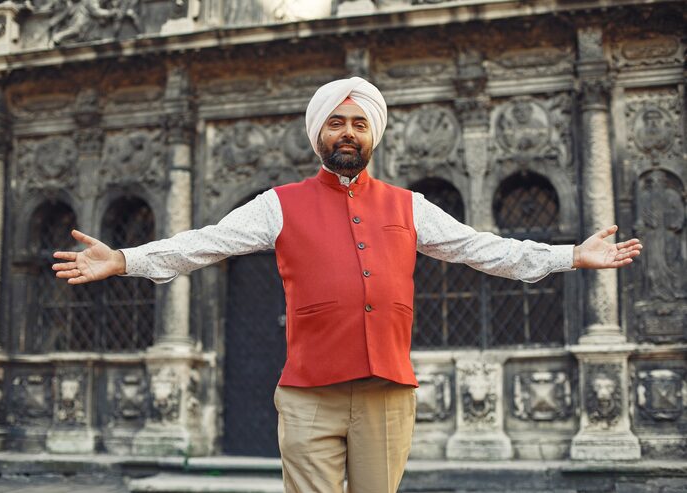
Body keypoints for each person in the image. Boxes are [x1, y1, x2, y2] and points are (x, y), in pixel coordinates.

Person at [52, 77, 642, 493]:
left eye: (359, 123)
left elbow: (484, 249)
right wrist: (123, 259)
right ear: (319, 134)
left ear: (373, 135)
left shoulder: (409, 206)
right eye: (336, 122)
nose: (348, 132)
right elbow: (204, 243)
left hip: (387, 394)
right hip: (309, 396)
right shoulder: (278, 204)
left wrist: (572, 255)